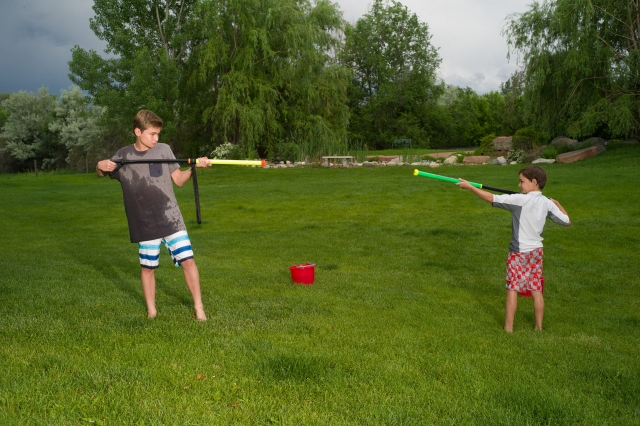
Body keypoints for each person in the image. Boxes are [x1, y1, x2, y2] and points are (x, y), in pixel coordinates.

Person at [96, 110, 211, 321]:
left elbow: (178, 179)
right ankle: (152, 312)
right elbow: (103, 172)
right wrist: (99, 166)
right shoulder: (124, 156)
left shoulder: (164, 150)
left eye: (158, 134)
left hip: (171, 217)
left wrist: (194, 168)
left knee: (188, 261)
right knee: (147, 268)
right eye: (152, 134)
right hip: (144, 221)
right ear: (137, 131)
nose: (156, 139)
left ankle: (199, 308)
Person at [456, 166, 570, 332]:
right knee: (535, 288)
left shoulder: (519, 200)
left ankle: (508, 329)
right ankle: (539, 327)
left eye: (522, 181)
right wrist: (557, 204)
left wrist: (471, 187)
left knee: (512, 288)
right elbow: (567, 221)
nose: (519, 185)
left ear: (534, 182)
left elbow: (491, 197)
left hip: (518, 252)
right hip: (537, 252)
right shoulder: (547, 203)